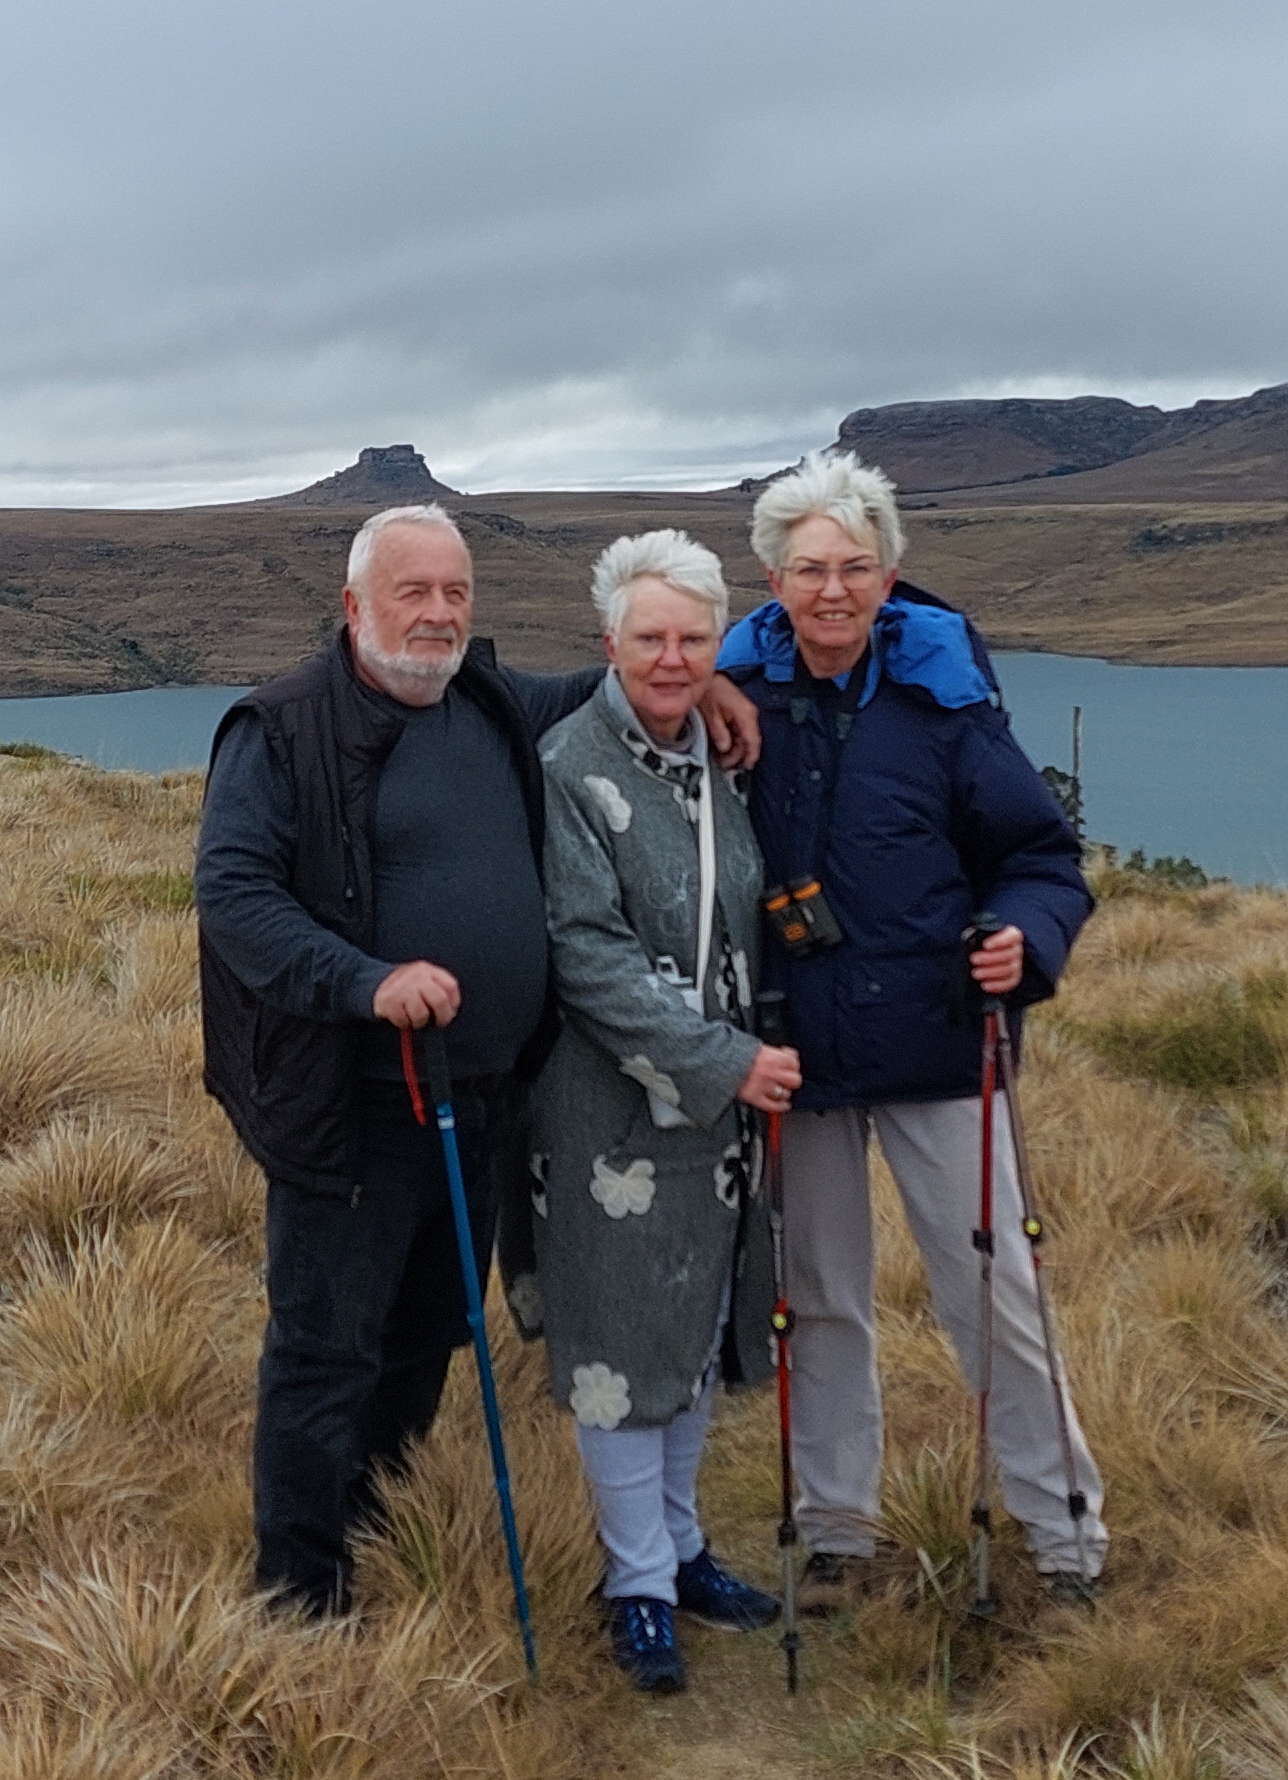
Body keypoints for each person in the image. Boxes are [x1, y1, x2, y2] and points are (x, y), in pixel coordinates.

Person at [194, 503, 760, 1618]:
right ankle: (298, 1595)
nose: (439, 613)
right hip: (352, 1107)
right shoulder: (280, 729)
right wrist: (366, 980)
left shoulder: (489, 698)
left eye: (455, 592)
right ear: (355, 604)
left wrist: (715, 683)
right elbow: (234, 897)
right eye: (414, 592)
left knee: (426, 1334)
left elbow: (619, 687)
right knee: (325, 1349)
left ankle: (375, 1524)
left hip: (486, 1099)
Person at [715, 451, 1106, 1609]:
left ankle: (1065, 1534)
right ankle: (837, 1529)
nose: (832, 590)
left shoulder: (948, 702)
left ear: (889, 574)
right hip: (801, 1051)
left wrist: (1022, 941)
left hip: (943, 1041)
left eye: (854, 567)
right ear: (771, 579)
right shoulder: (734, 696)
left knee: (994, 1296)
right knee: (821, 1297)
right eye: (807, 569)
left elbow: (1041, 860)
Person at [498, 530, 800, 1692]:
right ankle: (633, 1586)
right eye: (648, 638)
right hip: (604, 1117)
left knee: (688, 1327)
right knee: (618, 1347)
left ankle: (677, 1553)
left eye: (692, 638)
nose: (671, 659)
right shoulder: (569, 765)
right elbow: (587, 954)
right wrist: (727, 1060)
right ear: (606, 643)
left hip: (716, 1114)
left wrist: (741, 1062)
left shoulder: (716, 760)